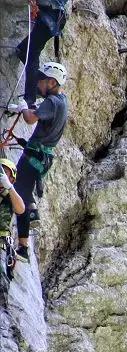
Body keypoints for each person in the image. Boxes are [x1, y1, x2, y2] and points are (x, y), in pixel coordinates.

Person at [9, 61, 68, 262]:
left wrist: (24, 108)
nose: (38, 85)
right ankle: (32, 210)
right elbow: (41, 115)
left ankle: (23, 248)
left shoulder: (52, 103)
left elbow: (30, 119)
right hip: (41, 158)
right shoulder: (62, 101)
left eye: (41, 81)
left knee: (16, 194)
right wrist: (28, 108)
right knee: (24, 193)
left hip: (33, 158)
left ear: (51, 82)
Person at [15, 0, 69, 108]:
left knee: (31, 54)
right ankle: (39, 85)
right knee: (23, 51)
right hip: (52, 16)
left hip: (50, 15)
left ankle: (31, 97)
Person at [0, 158, 25, 279]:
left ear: (11, 179)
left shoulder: (10, 196)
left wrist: (9, 187)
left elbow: (21, 209)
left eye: (5, 172)